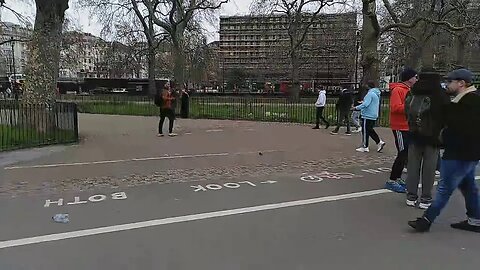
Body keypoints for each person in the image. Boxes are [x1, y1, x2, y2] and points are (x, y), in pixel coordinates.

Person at [409, 68, 480, 233]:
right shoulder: (465, 100)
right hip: (468, 153)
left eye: (450, 82)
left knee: (444, 188)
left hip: (459, 153)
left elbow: (460, 128)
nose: (446, 84)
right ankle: (475, 219)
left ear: (461, 83)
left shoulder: (468, 102)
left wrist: (444, 136)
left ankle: (426, 220)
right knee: (468, 187)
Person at [404, 71, 450, 209]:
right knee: (429, 168)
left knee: (413, 166)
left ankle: (411, 196)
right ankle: (425, 198)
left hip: (414, 134)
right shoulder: (441, 95)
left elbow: (407, 110)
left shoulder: (413, 92)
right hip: (433, 136)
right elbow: (447, 116)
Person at [385, 68, 418, 193]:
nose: (416, 79)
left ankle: (397, 178)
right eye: (415, 77)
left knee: (406, 153)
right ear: (409, 78)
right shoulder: (398, 90)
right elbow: (395, 108)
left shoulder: (410, 90)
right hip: (399, 126)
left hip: (407, 125)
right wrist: (411, 106)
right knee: (402, 152)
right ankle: (392, 180)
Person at [353, 81, 386, 153]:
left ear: (368, 86)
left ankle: (365, 146)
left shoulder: (370, 94)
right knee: (370, 130)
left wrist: (356, 108)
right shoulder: (376, 94)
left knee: (365, 131)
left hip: (367, 115)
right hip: (373, 114)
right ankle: (379, 142)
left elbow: (365, 104)